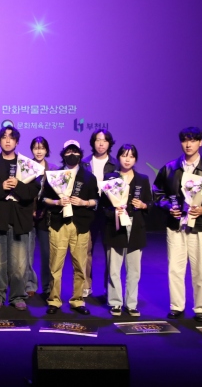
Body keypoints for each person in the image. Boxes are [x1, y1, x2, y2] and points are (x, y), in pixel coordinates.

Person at [153, 127, 202, 322]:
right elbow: (157, 192)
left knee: (201, 270)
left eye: (193, 140)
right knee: (175, 268)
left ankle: (200, 309)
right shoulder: (170, 168)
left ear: (200, 142)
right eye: (185, 140)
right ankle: (176, 306)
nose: (188, 144)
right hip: (176, 226)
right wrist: (168, 206)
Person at [0, 126, 40, 311]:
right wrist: (1, 187)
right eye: (4, 137)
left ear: (17, 142)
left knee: (20, 263)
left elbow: (33, 192)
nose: (7, 140)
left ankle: (18, 296)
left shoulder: (27, 165)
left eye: (11, 138)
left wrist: (18, 185)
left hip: (19, 219)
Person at [43, 140, 99, 315]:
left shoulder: (89, 177)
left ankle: (77, 300)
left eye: (75, 152)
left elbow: (96, 201)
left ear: (80, 154)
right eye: (68, 152)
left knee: (80, 265)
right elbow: (44, 198)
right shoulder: (55, 175)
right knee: (55, 265)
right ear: (63, 154)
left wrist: (84, 202)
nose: (72, 155)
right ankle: (54, 300)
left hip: (80, 225)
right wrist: (57, 202)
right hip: (59, 224)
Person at [102, 144, 152, 317]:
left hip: (135, 227)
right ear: (119, 158)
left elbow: (150, 203)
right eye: (124, 155)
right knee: (114, 268)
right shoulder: (110, 178)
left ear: (135, 159)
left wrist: (143, 205)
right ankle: (115, 302)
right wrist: (114, 211)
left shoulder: (143, 179)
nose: (127, 159)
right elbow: (104, 205)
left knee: (134, 270)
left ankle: (131, 304)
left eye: (131, 156)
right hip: (115, 227)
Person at [80, 128, 118, 298]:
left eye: (104, 140)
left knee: (110, 252)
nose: (101, 144)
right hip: (89, 211)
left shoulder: (116, 164)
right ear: (93, 142)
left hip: (109, 212)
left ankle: (109, 287)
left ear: (109, 143)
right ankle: (86, 285)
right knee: (86, 250)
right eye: (97, 140)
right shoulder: (84, 163)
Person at [26, 136, 58, 298]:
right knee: (27, 253)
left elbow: (57, 193)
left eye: (42, 148)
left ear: (47, 150)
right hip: (28, 215)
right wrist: (31, 209)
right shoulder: (27, 167)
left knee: (47, 253)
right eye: (36, 148)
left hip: (47, 215)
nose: (39, 151)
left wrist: (44, 209)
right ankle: (29, 285)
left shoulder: (53, 169)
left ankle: (47, 286)